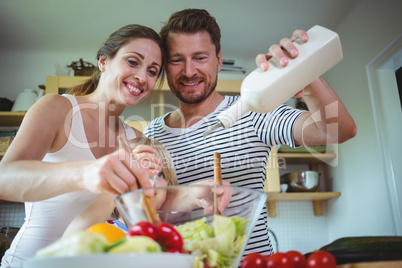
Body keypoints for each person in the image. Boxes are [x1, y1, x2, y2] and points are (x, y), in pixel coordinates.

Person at [144, 8, 357, 256]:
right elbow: (153, 209)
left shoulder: (254, 112)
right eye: (177, 59)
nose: (189, 71)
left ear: (219, 60)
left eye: (200, 58)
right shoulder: (153, 131)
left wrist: (305, 74)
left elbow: (339, 131)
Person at [0, 24, 165, 267]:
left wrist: (194, 194)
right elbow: (4, 179)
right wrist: (86, 173)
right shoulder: (57, 108)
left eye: (152, 71)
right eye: (132, 61)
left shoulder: (136, 139)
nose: (142, 76)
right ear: (103, 62)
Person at [63, 136, 179, 236]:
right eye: (133, 173)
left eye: (158, 174)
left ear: (168, 185)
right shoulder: (106, 229)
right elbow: (70, 241)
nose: (148, 182)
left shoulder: (174, 230)